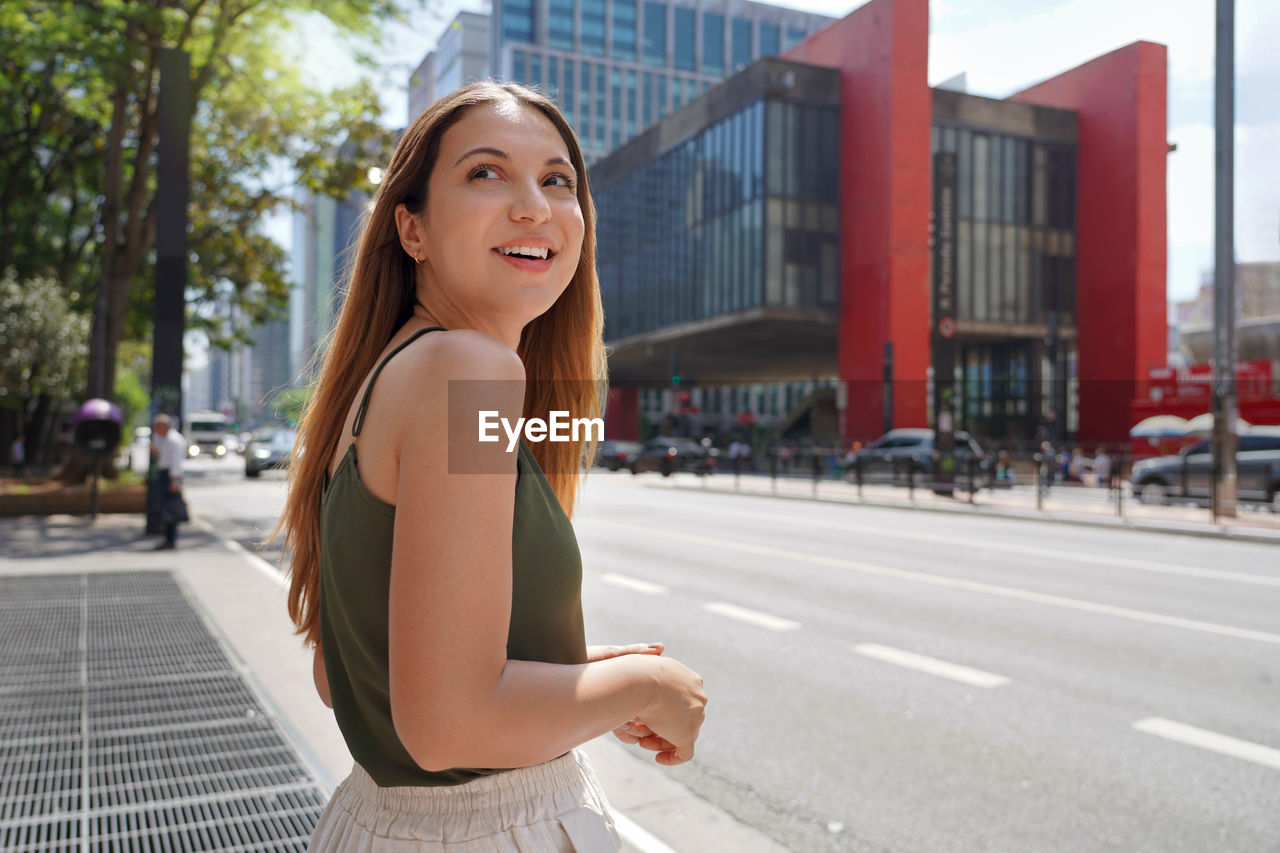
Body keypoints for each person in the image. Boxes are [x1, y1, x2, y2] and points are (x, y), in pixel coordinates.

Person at [275, 82, 707, 852]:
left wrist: (571, 672)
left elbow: (348, 674)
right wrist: (649, 686)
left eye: (557, 180)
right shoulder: (467, 369)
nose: (534, 206)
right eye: (486, 173)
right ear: (412, 228)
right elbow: (448, 724)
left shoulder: (391, 375)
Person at [149, 414, 186, 550]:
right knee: (165, 508)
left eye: (157, 426)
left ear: (163, 427)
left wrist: (174, 482)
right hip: (165, 474)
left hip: (171, 476)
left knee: (171, 509)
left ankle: (171, 539)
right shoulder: (163, 439)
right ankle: (168, 538)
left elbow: (176, 463)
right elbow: (163, 458)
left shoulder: (174, 440)